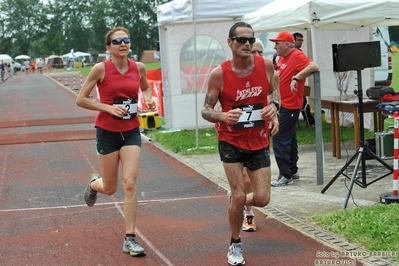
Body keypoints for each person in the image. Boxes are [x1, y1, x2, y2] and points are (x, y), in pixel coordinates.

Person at [201, 22, 279, 266]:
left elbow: (275, 94)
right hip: (230, 140)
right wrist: (223, 116)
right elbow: (205, 110)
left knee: (263, 198)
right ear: (230, 42)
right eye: (241, 40)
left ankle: (236, 201)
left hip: (258, 139)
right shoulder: (219, 74)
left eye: (250, 40)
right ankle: (235, 244)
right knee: (239, 193)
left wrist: (274, 109)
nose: (247, 44)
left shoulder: (266, 66)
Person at [76, 26, 156, 257]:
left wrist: (149, 101)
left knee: (129, 184)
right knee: (110, 188)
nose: (123, 44)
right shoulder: (100, 69)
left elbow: (145, 88)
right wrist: (108, 107)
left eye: (126, 40)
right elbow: (81, 99)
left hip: (131, 131)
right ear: (108, 47)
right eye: (117, 41)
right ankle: (94, 184)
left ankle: (130, 238)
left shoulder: (138, 67)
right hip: (107, 132)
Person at [270, 32, 319, 187]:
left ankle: (285, 175)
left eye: (277, 43)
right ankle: (292, 170)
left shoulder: (297, 55)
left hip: (291, 105)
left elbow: (314, 66)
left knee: (279, 137)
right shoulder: (282, 58)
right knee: (289, 138)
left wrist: (296, 78)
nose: (274, 46)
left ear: (286, 44)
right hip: (284, 104)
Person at [293, 32, 315, 128]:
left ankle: (310, 122)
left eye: (302, 40)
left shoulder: (299, 53)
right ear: (293, 40)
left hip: (298, 84)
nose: (301, 42)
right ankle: (310, 122)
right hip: (290, 84)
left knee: (304, 104)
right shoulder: (290, 53)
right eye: (299, 40)